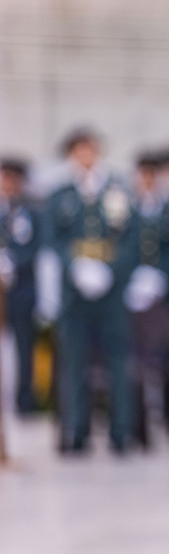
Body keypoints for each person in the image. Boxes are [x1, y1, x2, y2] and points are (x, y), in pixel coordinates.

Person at [44, 129, 139, 453]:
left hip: (110, 292)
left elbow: (131, 237)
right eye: (78, 150)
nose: (85, 156)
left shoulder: (116, 190)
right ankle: (76, 431)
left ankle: (121, 431)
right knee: (74, 363)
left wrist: (110, 271)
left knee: (118, 360)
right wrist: (75, 265)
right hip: (75, 291)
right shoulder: (60, 194)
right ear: (71, 154)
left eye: (90, 149)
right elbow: (53, 238)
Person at [126, 151, 169, 446]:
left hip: (164, 297)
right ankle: (139, 431)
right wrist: (133, 276)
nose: (148, 181)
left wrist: (161, 276)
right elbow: (123, 246)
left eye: (152, 175)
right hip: (134, 296)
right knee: (138, 364)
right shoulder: (128, 209)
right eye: (143, 176)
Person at [0, 158, 42, 414]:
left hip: (21, 288)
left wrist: (12, 263)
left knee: (25, 345)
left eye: (14, 178)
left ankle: (25, 399)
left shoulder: (30, 210)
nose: (10, 184)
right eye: (6, 178)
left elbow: (36, 244)